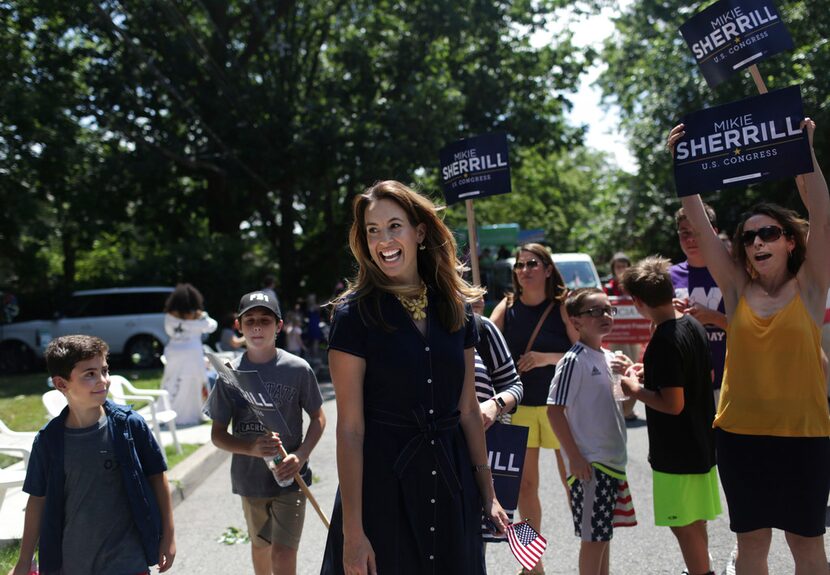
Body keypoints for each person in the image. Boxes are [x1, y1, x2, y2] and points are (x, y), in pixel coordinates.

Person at [320, 180, 507, 575]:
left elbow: (469, 409)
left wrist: (488, 492)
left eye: (394, 226)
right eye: (373, 230)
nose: (383, 240)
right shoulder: (353, 316)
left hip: (451, 479)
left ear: (419, 233)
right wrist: (353, 532)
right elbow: (350, 430)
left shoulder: (455, 308)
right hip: (384, 487)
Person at [669, 119, 830, 574]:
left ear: (790, 241)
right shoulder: (737, 289)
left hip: (805, 436)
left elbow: (822, 213)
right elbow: (699, 226)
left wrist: (806, 152)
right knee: (753, 546)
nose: (757, 241)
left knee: (806, 546)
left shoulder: (812, 286)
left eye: (769, 233)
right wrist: (684, 168)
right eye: (749, 236)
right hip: (741, 438)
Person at [13, 335, 175, 575]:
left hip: (128, 561)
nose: (103, 381)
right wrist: (25, 560)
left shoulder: (129, 426)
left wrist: (169, 536)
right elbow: (38, 499)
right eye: (89, 374)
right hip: (72, 563)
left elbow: (157, 478)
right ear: (61, 384)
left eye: (104, 370)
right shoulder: (48, 442)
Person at [205, 291, 326, 575]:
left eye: (265, 320)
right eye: (250, 321)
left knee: (283, 555)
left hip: (291, 479)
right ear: (239, 326)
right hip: (251, 481)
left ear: (279, 326)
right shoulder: (230, 374)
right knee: (261, 547)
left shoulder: (297, 369)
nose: (257, 327)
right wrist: (251, 449)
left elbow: (318, 418)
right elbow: (217, 434)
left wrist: (301, 454)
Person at [620, 256, 720, 575]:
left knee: (683, 525)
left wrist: (634, 389)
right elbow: (705, 374)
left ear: (638, 302)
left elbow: (672, 404)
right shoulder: (691, 324)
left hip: (677, 451)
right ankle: (702, 569)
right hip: (700, 440)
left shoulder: (664, 339)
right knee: (695, 520)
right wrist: (650, 374)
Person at [490, 242, 577, 573]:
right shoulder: (507, 306)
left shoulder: (563, 306)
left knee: (575, 484)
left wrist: (546, 358)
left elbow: (583, 349)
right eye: (519, 265)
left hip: (560, 407)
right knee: (524, 489)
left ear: (548, 269)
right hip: (520, 408)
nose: (524, 270)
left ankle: (592, 553)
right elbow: (482, 341)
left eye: (532, 264)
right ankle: (532, 563)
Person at [547, 288, 635, 575]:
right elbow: (554, 409)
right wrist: (574, 457)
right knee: (593, 539)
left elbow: (621, 406)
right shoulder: (574, 360)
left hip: (612, 462)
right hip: (590, 464)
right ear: (576, 322)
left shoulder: (610, 357)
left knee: (603, 535)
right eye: (595, 312)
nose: (605, 316)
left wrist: (629, 379)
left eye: (608, 310)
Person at [471, 297, 523, 547]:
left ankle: (533, 563)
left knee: (469, 554)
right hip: (413, 471)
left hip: (477, 465)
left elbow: (513, 384)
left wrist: (495, 405)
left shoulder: (480, 328)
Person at [670, 204, 728, 407]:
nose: (690, 239)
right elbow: (658, 332)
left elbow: (753, 328)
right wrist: (670, 316)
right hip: (689, 382)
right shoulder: (670, 276)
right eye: (684, 232)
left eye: (696, 232)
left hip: (731, 381)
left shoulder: (732, 271)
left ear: (714, 232)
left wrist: (712, 317)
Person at [160, 283, 218, 425]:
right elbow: (212, 326)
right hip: (192, 353)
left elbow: (169, 331)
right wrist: (203, 316)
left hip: (174, 352)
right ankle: (193, 414)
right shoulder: (197, 319)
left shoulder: (170, 317)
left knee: (172, 381)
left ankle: (170, 412)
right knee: (194, 381)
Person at [603, 251, 641, 420]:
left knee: (631, 368)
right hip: (616, 335)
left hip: (633, 335)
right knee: (617, 371)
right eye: (618, 266)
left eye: (624, 265)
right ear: (613, 268)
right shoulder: (609, 287)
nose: (621, 269)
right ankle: (619, 406)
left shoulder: (634, 285)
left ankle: (629, 408)